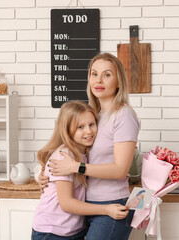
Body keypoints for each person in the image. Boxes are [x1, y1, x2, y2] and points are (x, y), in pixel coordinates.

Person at [39, 53, 140, 240]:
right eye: (94, 74)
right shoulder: (94, 115)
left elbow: (120, 170)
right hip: (86, 206)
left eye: (107, 75)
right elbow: (70, 149)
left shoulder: (123, 116)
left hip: (112, 203)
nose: (99, 80)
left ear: (119, 81)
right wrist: (49, 174)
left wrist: (76, 168)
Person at [32, 100, 129, 240]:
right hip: (52, 232)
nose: (88, 131)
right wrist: (107, 209)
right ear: (67, 130)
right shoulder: (65, 155)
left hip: (72, 231)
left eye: (92, 124)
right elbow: (66, 203)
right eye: (80, 127)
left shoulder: (84, 153)